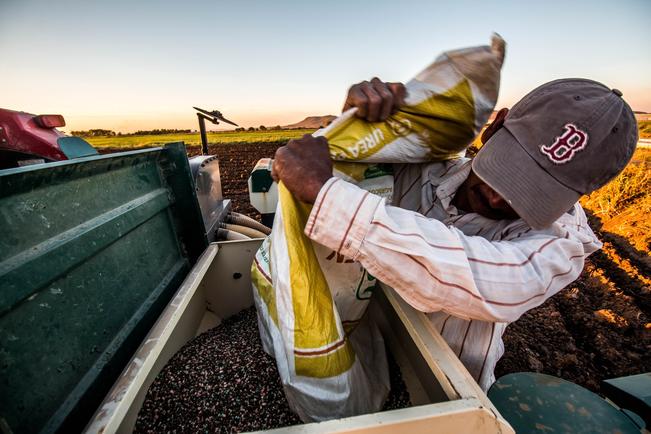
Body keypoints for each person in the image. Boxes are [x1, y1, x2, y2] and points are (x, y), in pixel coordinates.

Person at [271, 77, 638, 390]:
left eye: (533, 190)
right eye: (508, 169)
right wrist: (352, 128)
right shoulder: (422, 169)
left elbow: (495, 281)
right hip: (361, 347)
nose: (497, 196)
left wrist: (328, 197)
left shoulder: (562, 239)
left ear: (577, 195)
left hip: (450, 384)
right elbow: (346, 170)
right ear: (496, 126)